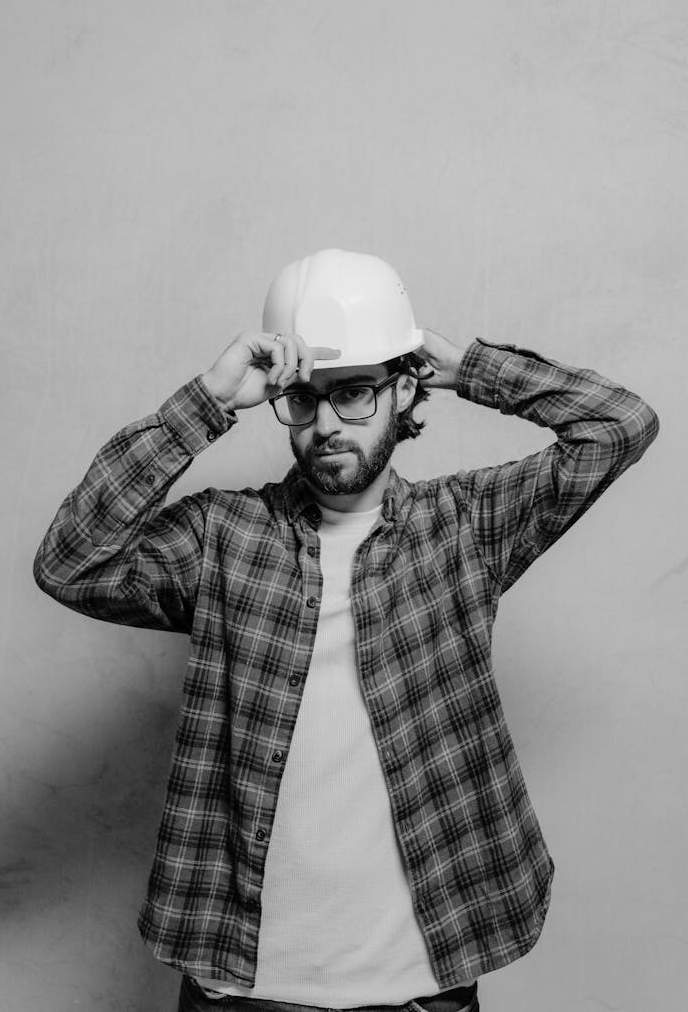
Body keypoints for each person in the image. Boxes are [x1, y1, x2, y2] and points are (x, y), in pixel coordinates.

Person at [33, 248, 659, 1012]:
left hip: (418, 984)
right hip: (241, 985)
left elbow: (620, 425)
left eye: (355, 393)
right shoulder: (222, 536)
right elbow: (72, 561)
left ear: (403, 389)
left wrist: (470, 366)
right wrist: (210, 399)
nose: (326, 424)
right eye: (303, 399)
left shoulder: (464, 526)